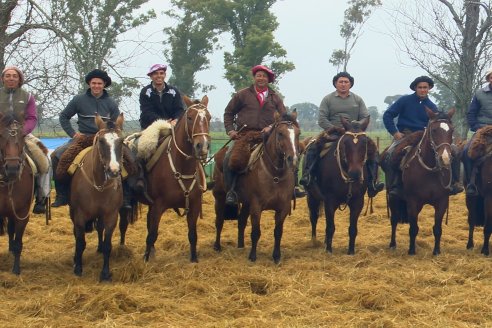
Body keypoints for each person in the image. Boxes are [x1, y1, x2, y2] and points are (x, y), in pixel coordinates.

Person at [223, 64, 302, 205]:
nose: (261, 78)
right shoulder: (242, 94)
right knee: (230, 157)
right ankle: (231, 191)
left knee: (293, 152)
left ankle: (294, 187)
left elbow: (283, 117)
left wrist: (271, 127)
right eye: (258, 75)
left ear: (268, 79)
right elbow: (228, 113)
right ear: (254, 77)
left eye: (264, 76)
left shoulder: (275, 98)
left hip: (269, 136)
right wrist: (231, 130)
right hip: (245, 135)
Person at [300, 71, 384, 197]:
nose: (343, 84)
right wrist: (335, 129)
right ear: (335, 84)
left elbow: (365, 116)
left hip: (354, 134)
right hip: (332, 133)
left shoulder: (357, 99)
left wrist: (355, 127)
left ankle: (373, 182)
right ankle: (308, 176)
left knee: (373, 150)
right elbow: (322, 119)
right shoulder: (328, 99)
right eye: (340, 82)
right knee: (313, 147)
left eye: (346, 82)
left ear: (350, 84)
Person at [382, 75, 463, 198]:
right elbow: (388, 115)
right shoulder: (404, 100)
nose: (423, 90)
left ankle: (454, 183)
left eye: (425, 87)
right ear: (415, 88)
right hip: (406, 134)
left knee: (454, 152)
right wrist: (395, 132)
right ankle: (396, 185)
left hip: (425, 135)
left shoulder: (432, 106)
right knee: (393, 153)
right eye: (420, 87)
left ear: (429, 88)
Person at [51, 69, 121, 207]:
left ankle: (126, 197)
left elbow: (115, 124)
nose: (96, 86)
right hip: (83, 138)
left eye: (99, 83)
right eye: (93, 83)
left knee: (129, 160)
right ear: (89, 84)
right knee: (56, 155)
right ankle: (62, 194)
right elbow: (64, 117)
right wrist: (73, 134)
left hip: (105, 140)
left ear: (104, 84)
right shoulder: (78, 100)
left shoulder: (111, 103)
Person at [0, 66, 51, 214]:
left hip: (22, 134)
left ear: (19, 79)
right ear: (3, 78)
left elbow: (32, 118)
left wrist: (23, 131)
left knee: (45, 160)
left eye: (14, 76)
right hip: (0, 134)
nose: (11, 78)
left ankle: (42, 197)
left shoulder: (27, 96)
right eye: (8, 76)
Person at [462, 67, 492, 196]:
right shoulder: (479, 93)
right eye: (491, 77)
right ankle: (471, 183)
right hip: (483, 129)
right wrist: (476, 127)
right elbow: (471, 113)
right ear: (488, 79)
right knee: (466, 151)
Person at [139, 63, 185, 129]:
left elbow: (179, 109)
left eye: (161, 73)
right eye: (155, 74)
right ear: (151, 76)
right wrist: (163, 122)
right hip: (150, 127)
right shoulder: (145, 92)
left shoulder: (174, 91)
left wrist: (176, 120)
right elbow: (147, 112)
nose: (159, 76)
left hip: (172, 126)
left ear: (165, 75)